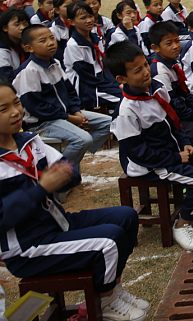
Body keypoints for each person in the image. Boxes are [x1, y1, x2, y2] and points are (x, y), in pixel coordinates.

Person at [0, 80, 150, 321]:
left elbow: (66, 166)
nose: (16, 112)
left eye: (16, 102)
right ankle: (106, 299)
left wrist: (66, 174)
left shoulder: (29, 141)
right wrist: (42, 188)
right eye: (3, 109)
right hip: (28, 246)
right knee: (108, 242)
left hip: (58, 223)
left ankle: (112, 293)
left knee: (127, 217)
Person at [107, 41, 193, 252]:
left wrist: (186, 144)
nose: (145, 72)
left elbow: (175, 123)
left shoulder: (158, 90)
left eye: (145, 65)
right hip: (151, 164)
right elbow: (138, 153)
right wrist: (176, 158)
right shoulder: (126, 112)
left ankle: (192, 214)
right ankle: (182, 225)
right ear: (122, 79)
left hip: (173, 153)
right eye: (137, 70)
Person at [13, 25, 112, 167]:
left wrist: (76, 112)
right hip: (42, 122)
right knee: (83, 139)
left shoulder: (55, 63)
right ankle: (60, 171)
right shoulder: (29, 71)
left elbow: (70, 92)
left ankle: (73, 156)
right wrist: (71, 118)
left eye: (51, 38)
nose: (50, 43)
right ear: (29, 48)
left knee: (109, 123)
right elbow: (36, 107)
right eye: (42, 41)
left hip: (65, 115)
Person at [149, 22, 193, 159]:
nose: (176, 46)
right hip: (171, 119)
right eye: (169, 43)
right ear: (155, 48)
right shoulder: (160, 71)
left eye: (177, 41)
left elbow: (185, 93)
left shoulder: (172, 63)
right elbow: (173, 105)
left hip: (182, 114)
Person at [63, 1, 122, 110]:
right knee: (126, 99)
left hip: (101, 81)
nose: (89, 20)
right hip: (87, 88)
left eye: (90, 16)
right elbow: (87, 76)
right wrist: (114, 85)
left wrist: (115, 83)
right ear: (71, 22)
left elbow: (104, 66)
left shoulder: (95, 38)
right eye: (82, 18)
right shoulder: (73, 45)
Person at [0, 8, 29, 80]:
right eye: (17, 25)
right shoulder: (2, 51)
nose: (22, 28)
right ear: (5, 28)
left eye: (25, 24)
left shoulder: (29, 43)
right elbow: (8, 80)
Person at [49, 0, 73, 64]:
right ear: (57, 10)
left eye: (71, 6)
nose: (70, 9)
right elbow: (57, 54)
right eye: (66, 7)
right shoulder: (52, 28)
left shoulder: (79, 22)